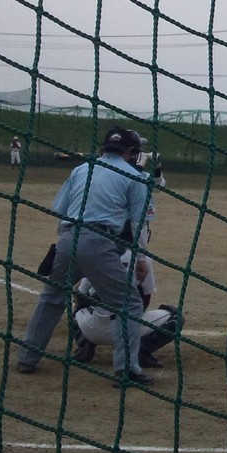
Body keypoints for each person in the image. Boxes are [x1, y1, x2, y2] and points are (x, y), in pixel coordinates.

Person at [17, 126, 154, 387]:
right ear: (131, 152)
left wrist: (63, 246)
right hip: (99, 242)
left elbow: (61, 209)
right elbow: (138, 225)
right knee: (129, 304)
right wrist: (141, 259)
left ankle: (27, 357)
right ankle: (127, 370)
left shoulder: (81, 169)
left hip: (68, 238)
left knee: (51, 298)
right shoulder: (135, 177)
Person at [74, 136, 168, 368]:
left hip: (103, 241)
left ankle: (86, 341)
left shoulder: (117, 175)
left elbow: (159, 184)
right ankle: (135, 346)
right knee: (142, 291)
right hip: (130, 242)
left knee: (81, 291)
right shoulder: (129, 177)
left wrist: (153, 168)